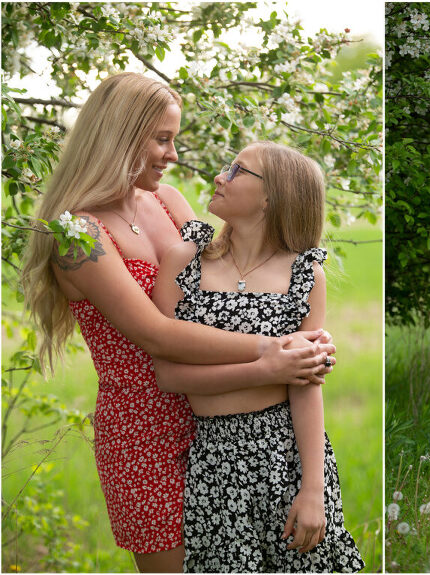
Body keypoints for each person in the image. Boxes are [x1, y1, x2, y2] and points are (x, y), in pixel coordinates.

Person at [21, 73, 335, 573]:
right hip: (144, 432)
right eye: (162, 139)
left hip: (221, 426)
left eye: (175, 139)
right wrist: (275, 351)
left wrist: (302, 326)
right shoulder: (77, 232)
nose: (173, 155)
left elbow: (238, 275)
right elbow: (155, 334)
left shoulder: (168, 203)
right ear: (120, 135)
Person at [151, 141, 364, 572]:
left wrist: (312, 490)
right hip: (214, 455)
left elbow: (304, 386)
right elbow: (169, 375)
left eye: (237, 170)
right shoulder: (186, 259)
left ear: (272, 196)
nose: (219, 176)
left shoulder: (304, 274)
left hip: (284, 454)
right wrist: (263, 367)